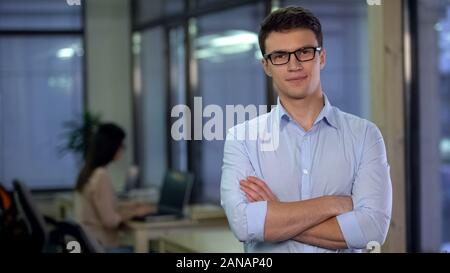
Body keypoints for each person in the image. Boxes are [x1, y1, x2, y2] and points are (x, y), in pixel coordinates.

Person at [220, 7, 392, 253]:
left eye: (304, 52)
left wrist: (277, 213)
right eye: (280, 55)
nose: (294, 65)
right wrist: (334, 204)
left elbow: (372, 230)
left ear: (321, 57)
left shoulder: (365, 135)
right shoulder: (242, 139)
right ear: (266, 66)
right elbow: (244, 224)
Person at [74, 123, 153, 251]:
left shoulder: (89, 171)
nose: (123, 149)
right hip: (102, 246)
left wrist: (129, 207)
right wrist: (136, 213)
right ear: (111, 147)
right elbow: (110, 221)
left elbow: (103, 208)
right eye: (121, 145)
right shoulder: (101, 176)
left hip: (89, 244)